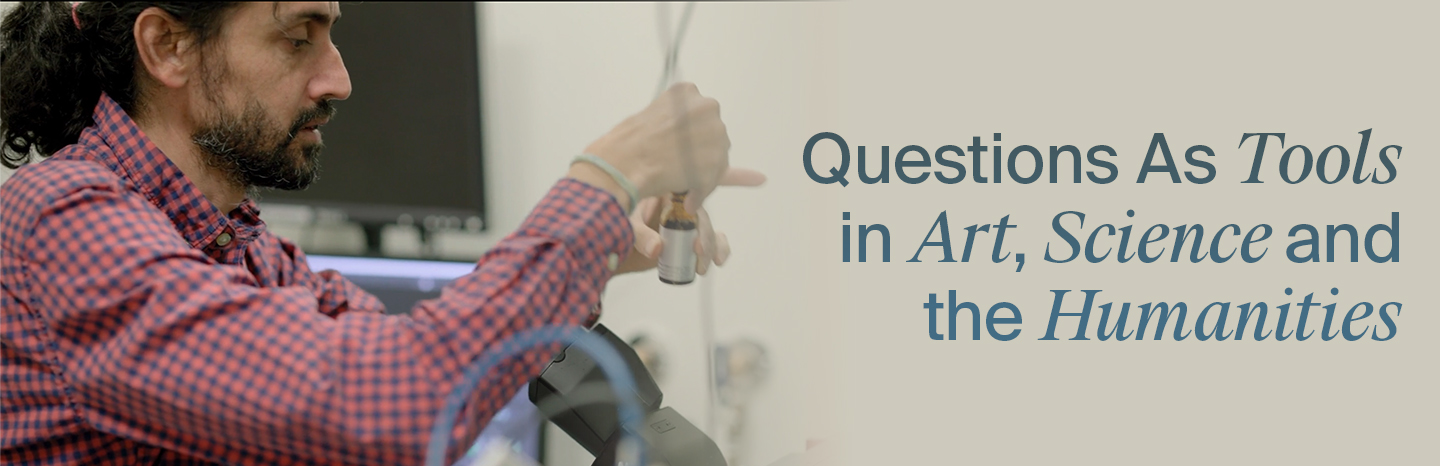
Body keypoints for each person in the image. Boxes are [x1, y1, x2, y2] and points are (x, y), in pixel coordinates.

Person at [0, 2, 764, 465]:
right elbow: (396, 401)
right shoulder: (65, 221)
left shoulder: (235, 241)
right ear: (167, 45)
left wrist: (595, 248)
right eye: (299, 35)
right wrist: (606, 176)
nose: (339, 78)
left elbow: (416, 349)